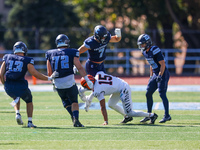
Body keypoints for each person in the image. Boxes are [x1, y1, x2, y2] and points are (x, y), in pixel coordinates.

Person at [0, 41, 56, 128]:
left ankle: (17, 113)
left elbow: (1, 73)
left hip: (9, 86)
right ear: (24, 50)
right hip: (20, 86)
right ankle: (30, 121)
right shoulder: (27, 60)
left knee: (16, 97)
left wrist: (4, 84)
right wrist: (49, 78)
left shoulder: (7, 57)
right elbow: (35, 73)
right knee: (29, 101)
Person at [45, 34, 93, 127]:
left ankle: (73, 117)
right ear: (66, 42)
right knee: (74, 101)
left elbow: (49, 72)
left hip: (58, 83)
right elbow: (79, 67)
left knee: (66, 102)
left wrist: (53, 83)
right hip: (69, 82)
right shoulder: (72, 52)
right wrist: (87, 79)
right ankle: (76, 119)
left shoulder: (50, 53)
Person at [81, 71, 158, 125]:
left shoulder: (97, 90)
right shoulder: (98, 74)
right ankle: (126, 117)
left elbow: (103, 107)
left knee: (130, 112)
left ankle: (151, 115)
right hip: (119, 86)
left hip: (123, 88)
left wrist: (106, 121)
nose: (85, 88)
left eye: (85, 86)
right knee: (111, 104)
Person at [78, 25, 122, 112]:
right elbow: (78, 52)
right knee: (96, 86)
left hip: (101, 65)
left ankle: (87, 100)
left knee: (99, 86)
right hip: (92, 66)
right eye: (102, 37)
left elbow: (116, 39)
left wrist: (119, 35)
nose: (104, 38)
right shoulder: (90, 42)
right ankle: (82, 90)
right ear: (97, 36)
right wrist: (76, 64)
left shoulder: (106, 37)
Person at [137, 34, 171, 123]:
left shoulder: (155, 50)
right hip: (155, 74)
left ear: (147, 43)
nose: (141, 46)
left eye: (143, 44)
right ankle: (149, 115)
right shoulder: (144, 52)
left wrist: (160, 75)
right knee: (148, 93)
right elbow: (151, 64)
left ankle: (167, 115)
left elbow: (162, 64)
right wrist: (151, 76)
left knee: (162, 93)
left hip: (163, 73)